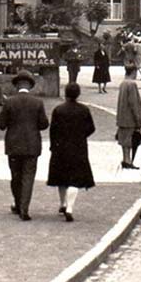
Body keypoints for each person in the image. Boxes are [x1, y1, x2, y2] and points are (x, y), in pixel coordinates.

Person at [0, 70, 49, 221]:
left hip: (13, 144)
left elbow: (1, 125)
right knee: (28, 176)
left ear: (16, 86)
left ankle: (18, 203)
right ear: (30, 86)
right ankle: (24, 209)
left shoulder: (9, 102)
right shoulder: (38, 102)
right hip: (32, 144)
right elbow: (44, 124)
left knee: (15, 176)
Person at [46, 82, 96, 221]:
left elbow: (53, 130)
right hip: (78, 147)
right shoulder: (84, 110)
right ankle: (70, 208)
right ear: (78, 94)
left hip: (60, 147)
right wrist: (81, 135)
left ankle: (63, 203)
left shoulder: (58, 110)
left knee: (61, 177)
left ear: (66, 94)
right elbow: (91, 128)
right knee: (75, 179)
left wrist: (53, 145)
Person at [116, 63, 141, 169]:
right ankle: (128, 161)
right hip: (130, 118)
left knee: (124, 140)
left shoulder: (123, 83)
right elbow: (134, 103)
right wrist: (138, 120)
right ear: (134, 72)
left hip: (122, 117)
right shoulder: (132, 84)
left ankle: (125, 159)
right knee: (129, 141)